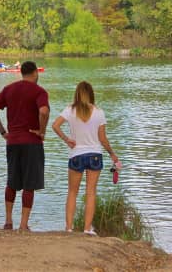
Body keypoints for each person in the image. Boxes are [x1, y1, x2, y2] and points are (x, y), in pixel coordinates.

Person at [51, 81, 120, 235]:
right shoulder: (99, 112)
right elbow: (102, 138)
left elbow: (55, 125)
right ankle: (87, 229)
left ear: (77, 93)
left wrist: (66, 139)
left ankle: (69, 228)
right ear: (91, 94)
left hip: (76, 155)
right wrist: (112, 154)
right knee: (91, 192)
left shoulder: (70, 110)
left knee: (72, 192)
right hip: (95, 155)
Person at [0, 61, 49, 231]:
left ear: (21, 72)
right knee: (29, 184)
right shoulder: (39, 91)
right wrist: (41, 131)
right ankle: (23, 225)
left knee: (12, 182)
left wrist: (3, 132)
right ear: (36, 72)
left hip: (13, 141)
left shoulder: (9, 89)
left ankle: (8, 222)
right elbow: (43, 111)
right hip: (31, 141)